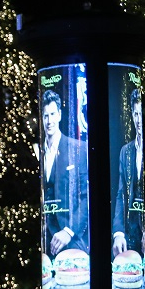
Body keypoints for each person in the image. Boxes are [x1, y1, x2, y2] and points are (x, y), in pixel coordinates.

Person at [40, 89, 89, 257]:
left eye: (52, 114)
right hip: (45, 241)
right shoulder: (39, 152)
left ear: (60, 115)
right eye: (45, 116)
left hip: (72, 239)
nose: (49, 121)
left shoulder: (78, 149)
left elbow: (85, 197)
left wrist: (68, 231)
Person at [112, 88, 144, 256]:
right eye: (136, 114)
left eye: (142, 114)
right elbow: (120, 194)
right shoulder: (126, 151)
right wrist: (118, 233)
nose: (139, 120)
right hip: (131, 236)